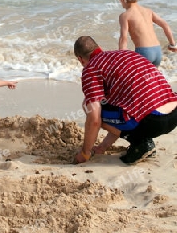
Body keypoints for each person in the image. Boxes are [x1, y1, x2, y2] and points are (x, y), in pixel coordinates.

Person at [73, 36, 177, 165]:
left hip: (153, 120)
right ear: (99, 48)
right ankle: (140, 140)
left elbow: (94, 119)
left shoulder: (91, 68)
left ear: (80, 59)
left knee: (90, 106)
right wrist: (103, 147)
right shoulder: (125, 53)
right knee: (119, 105)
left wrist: (85, 153)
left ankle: (141, 143)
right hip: (173, 112)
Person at [115, 0, 177, 66]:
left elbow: (123, 38)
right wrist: (172, 44)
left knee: (141, 78)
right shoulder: (148, 11)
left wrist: (122, 59)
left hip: (144, 52)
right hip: (157, 51)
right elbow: (165, 25)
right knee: (153, 77)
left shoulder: (125, 16)